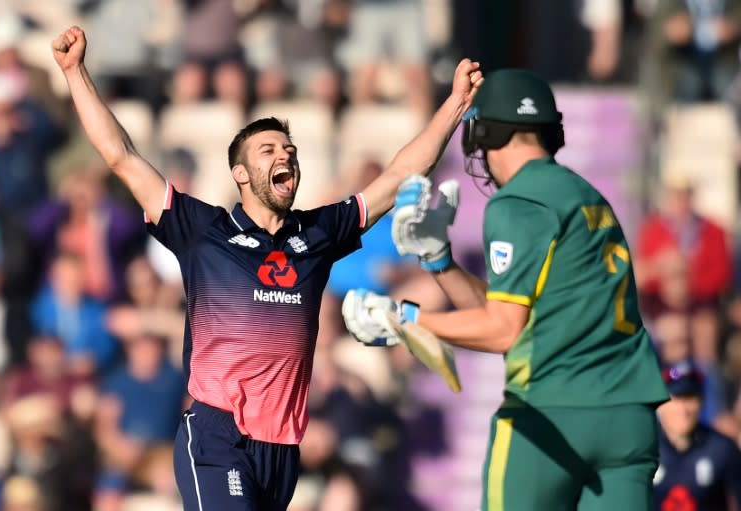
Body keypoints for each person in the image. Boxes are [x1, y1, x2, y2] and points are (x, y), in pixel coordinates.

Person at [51, 25, 483, 511]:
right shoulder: (202, 230)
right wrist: (75, 72)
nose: (286, 156)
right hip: (217, 436)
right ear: (240, 173)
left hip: (281, 448)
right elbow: (122, 156)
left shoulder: (318, 234)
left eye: (291, 152)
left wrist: (454, 105)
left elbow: (400, 175)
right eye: (269, 150)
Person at [342, 68, 670, 510]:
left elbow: (503, 332)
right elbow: (519, 314)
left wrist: (404, 320)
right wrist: (441, 263)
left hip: (552, 415)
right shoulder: (587, 196)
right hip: (629, 419)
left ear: (489, 130)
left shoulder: (517, 201)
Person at [654, 360, 741, 510]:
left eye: (689, 399)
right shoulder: (644, 449)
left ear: (701, 402)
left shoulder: (721, 449)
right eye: (676, 399)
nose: (683, 410)